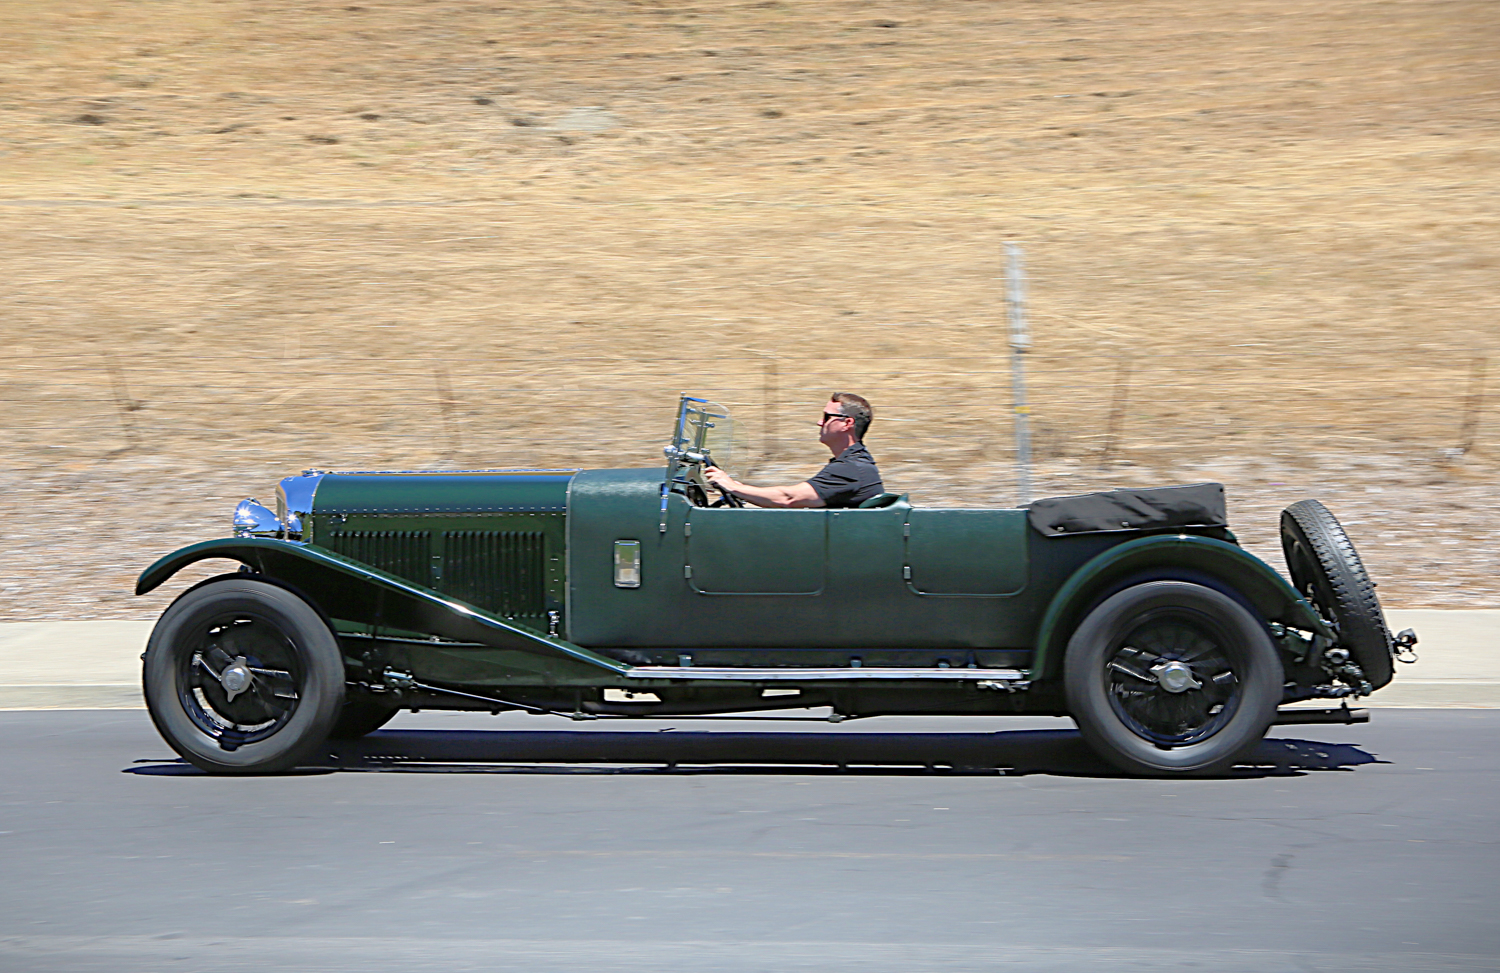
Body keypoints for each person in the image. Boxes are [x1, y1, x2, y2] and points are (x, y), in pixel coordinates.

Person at [703, 392, 884, 508]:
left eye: (827, 417)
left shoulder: (851, 468)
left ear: (847, 423)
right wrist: (739, 489)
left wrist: (732, 486)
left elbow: (788, 499)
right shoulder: (854, 464)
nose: (819, 422)